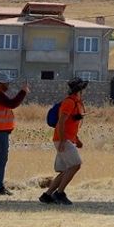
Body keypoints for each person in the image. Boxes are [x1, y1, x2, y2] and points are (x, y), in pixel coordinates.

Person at [40, 77, 87, 206]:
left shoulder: (75, 102)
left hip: (66, 139)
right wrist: (62, 140)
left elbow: (70, 123)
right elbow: (61, 122)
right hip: (63, 140)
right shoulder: (69, 102)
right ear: (79, 90)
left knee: (66, 170)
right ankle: (59, 194)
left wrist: (76, 139)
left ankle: (47, 195)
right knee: (75, 165)